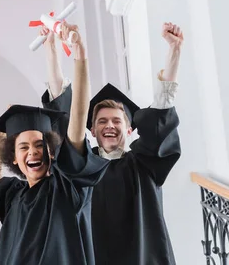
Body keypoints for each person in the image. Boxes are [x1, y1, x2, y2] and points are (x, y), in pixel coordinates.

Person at [41, 22, 183, 265]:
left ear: (129, 130)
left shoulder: (144, 165)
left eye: (116, 121)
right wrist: (52, 52)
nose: (109, 125)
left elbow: (160, 113)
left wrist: (174, 52)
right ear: (93, 131)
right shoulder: (82, 169)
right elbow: (65, 118)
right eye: (102, 121)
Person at [0, 24, 108, 265]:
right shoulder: (13, 195)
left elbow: (77, 120)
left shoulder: (64, 187)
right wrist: (3, 132)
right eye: (23, 147)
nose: (33, 151)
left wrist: (80, 57)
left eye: (39, 145)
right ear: (15, 159)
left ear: (51, 151)